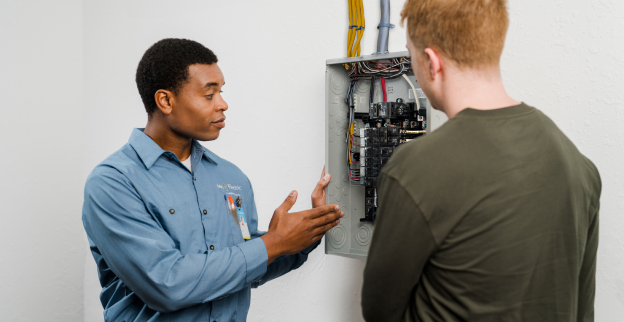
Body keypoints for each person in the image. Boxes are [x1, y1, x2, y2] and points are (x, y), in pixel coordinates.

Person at [361, 0, 601, 321]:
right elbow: (582, 308)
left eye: (411, 54)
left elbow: (380, 312)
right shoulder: (578, 165)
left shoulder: (413, 170)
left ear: (432, 62)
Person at [82, 38, 343, 322]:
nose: (223, 104)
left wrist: (310, 229)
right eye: (209, 95)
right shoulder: (113, 183)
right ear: (166, 100)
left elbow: (247, 265)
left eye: (221, 92)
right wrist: (274, 243)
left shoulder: (230, 180)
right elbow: (166, 284)